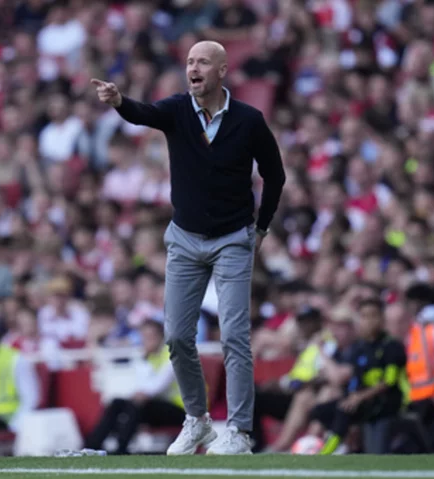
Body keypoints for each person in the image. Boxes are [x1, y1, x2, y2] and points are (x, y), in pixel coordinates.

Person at [92, 40, 286, 455]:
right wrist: (118, 100)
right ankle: (197, 421)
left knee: (235, 336)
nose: (192, 68)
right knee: (177, 337)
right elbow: (143, 113)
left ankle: (239, 432)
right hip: (183, 239)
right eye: (189, 62)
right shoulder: (178, 109)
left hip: (234, 239)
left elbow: (275, 174)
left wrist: (262, 227)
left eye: (201, 62)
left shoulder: (249, 120)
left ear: (221, 70)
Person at [308, 298, 409, 455]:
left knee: (344, 411)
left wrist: (359, 397)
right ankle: (343, 441)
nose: (368, 321)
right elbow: (355, 379)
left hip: (386, 402)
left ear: (382, 320)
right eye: (363, 316)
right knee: (319, 411)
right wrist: (352, 396)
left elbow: (389, 381)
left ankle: (326, 453)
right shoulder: (359, 348)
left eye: (372, 316)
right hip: (364, 402)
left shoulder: (392, 346)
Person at [85, 319, 186, 454]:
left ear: (161, 337)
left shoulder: (173, 355)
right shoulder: (146, 356)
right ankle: (91, 446)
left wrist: (143, 365)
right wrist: (143, 360)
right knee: (117, 403)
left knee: (136, 406)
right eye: (144, 337)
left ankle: (121, 449)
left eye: (151, 336)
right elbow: (140, 386)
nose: (147, 340)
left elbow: (156, 387)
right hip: (157, 405)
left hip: (182, 409)